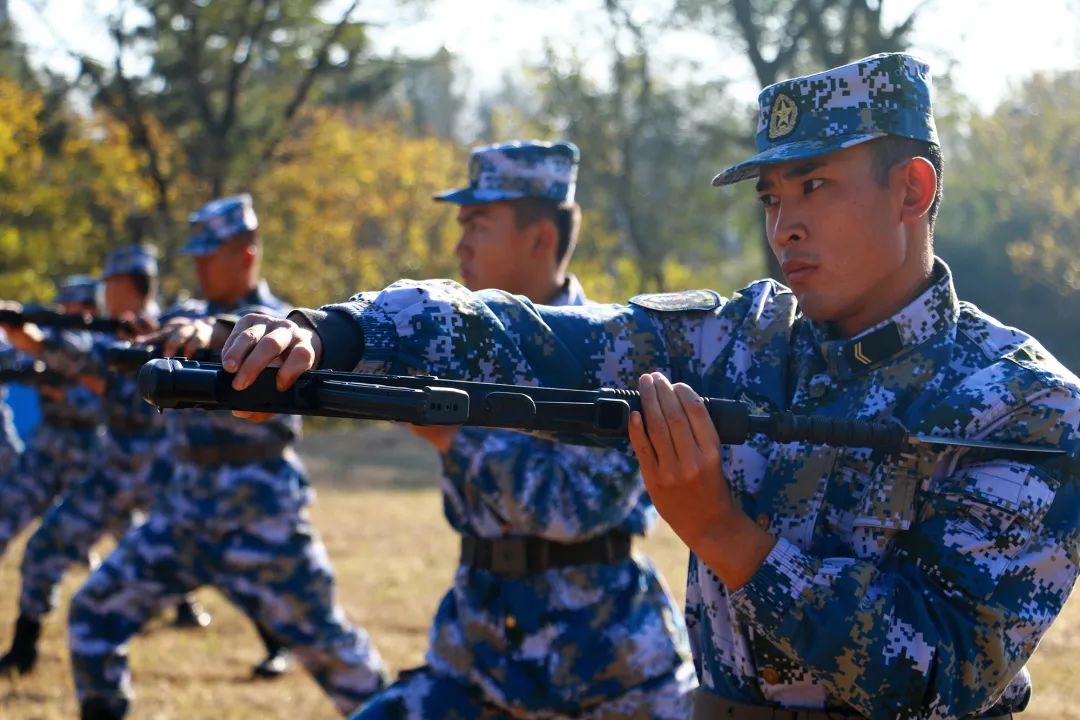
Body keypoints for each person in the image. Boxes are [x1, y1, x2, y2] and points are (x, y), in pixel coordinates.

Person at [220, 53, 1080, 720]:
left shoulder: (1024, 405)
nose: (785, 225)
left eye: (814, 185)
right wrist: (335, 332)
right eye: (772, 197)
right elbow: (529, 335)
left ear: (913, 189)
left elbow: (943, 674)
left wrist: (724, 534)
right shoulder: (739, 338)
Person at [356, 140, 695, 718]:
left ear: (540, 239)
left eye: (479, 224)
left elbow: (574, 508)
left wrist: (453, 437)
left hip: (608, 672)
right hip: (478, 662)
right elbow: (357, 349)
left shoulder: (621, 353)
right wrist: (238, 351)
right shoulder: (452, 342)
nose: (460, 244)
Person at [68, 195, 387, 720]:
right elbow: (135, 346)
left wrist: (212, 333)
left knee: (344, 663)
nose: (196, 264)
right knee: (93, 614)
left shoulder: (292, 322)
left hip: (263, 525)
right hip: (183, 516)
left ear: (244, 254)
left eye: (207, 254)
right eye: (192, 254)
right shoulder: (181, 316)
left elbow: (232, 329)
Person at [0, 276, 105, 676]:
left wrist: (66, 391)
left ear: (91, 309)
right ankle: (24, 648)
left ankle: (185, 604)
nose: (65, 312)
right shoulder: (52, 343)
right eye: (62, 305)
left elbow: (105, 397)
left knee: (135, 535)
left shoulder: (105, 347)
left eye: (73, 305)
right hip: (46, 452)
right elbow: (24, 360)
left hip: (91, 456)